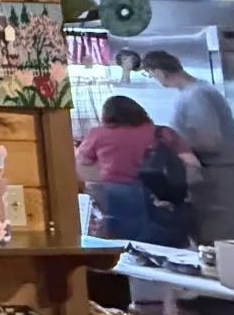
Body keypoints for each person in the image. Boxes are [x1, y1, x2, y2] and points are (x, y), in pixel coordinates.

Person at [141, 49, 234, 242]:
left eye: (150, 74)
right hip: (214, 176)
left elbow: (210, 141)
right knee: (209, 240)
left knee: (219, 241)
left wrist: (171, 144)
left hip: (218, 177)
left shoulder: (196, 95)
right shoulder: (195, 92)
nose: (154, 79)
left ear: (157, 70)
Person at [75, 95, 198, 246]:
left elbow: (79, 167)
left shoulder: (98, 134)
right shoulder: (162, 133)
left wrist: (107, 174)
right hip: (160, 199)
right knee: (166, 246)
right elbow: (192, 164)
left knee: (122, 249)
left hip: (116, 200)